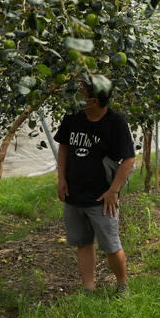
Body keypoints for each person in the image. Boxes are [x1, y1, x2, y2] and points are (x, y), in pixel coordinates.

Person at [54, 74, 136, 297]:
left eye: (84, 92)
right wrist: (61, 178)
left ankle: (122, 285)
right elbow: (64, 146)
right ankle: (89, 288)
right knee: (83, 243)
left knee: (111, 245)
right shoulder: (73, 118)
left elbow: (128, 159)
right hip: (74, 194)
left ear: (95, 100)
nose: (79, 95)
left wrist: (114, 191)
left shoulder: (115, 123)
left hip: (102, 198)